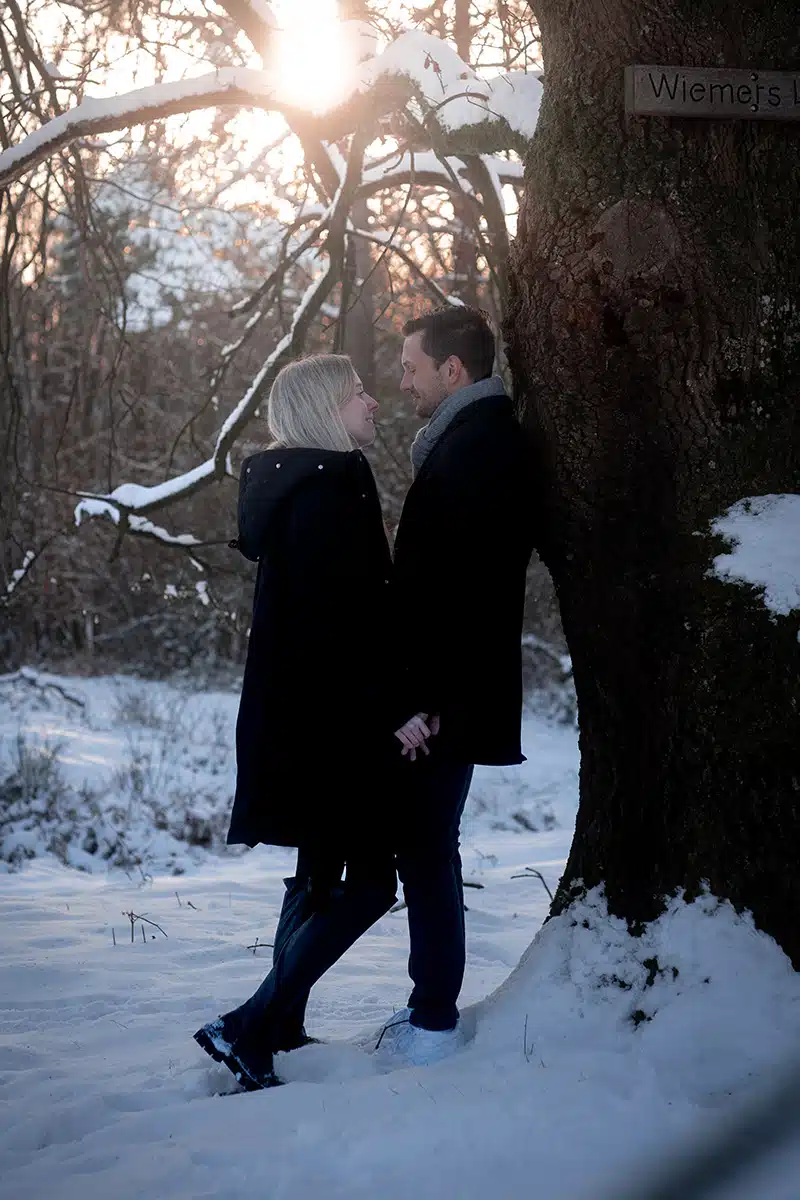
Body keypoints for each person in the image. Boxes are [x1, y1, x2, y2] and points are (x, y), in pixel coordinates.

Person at [194, 354, 430, 1091]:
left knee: (320, 876)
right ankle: (248, 1025)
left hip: (302, 719)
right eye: (360, 393)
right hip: (332, 725)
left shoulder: (300, 487)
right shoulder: (330, 493)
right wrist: (397, 711)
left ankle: (279, 1028)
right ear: (329, 408)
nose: (374, 404)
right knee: (368, 884)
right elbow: (340, 623)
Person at [375, 306, 535, 1067]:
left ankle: (433, 1018)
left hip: (443, 703)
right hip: (444, 695)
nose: (401, 380)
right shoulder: (466, 444)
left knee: (427, 849)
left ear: (453, 370)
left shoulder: (478, 451)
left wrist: (425, 704)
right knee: (423, 847)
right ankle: (430, 1012)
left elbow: (461, 598)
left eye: (411, 367)